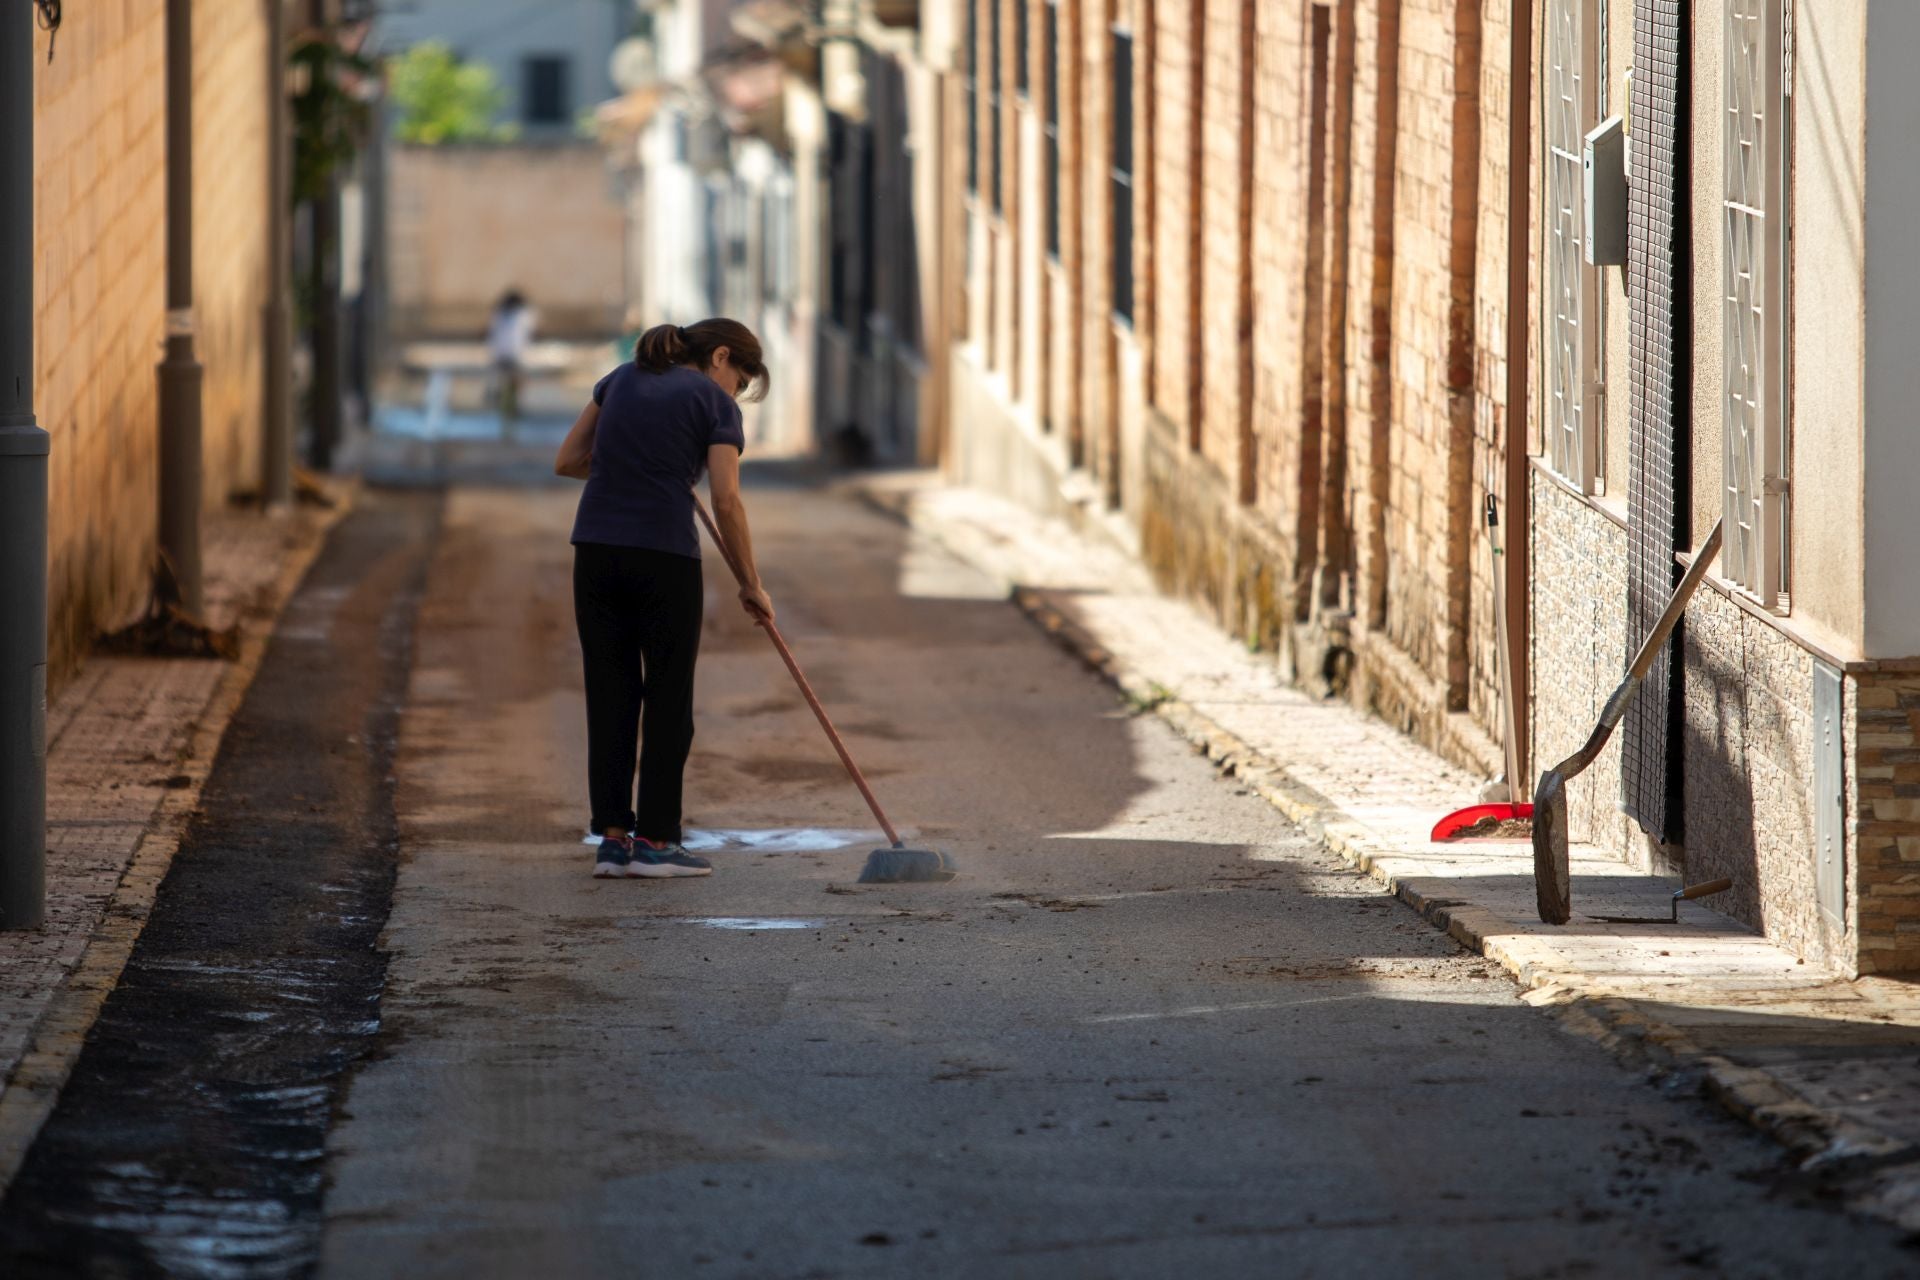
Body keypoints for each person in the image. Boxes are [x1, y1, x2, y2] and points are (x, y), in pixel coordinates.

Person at [554, 319, 773, 879]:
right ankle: (656, 840)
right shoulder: (713, 403)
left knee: (611, 694)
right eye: (740, 381)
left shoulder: (620, 378)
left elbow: (569, 460)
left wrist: (634, 469)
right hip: (664, 558)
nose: (736, 393)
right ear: (721, 357)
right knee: (668, 698)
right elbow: (726, 501)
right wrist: (751, 583)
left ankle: (611, 839)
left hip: (596, 551)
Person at [487, 289, 534, 428]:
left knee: (510, 383)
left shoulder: (502, 314)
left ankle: (508, 409)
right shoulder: (522, 315)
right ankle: (508, 408)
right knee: (511, 383)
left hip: (505, 355)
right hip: (511, 355)